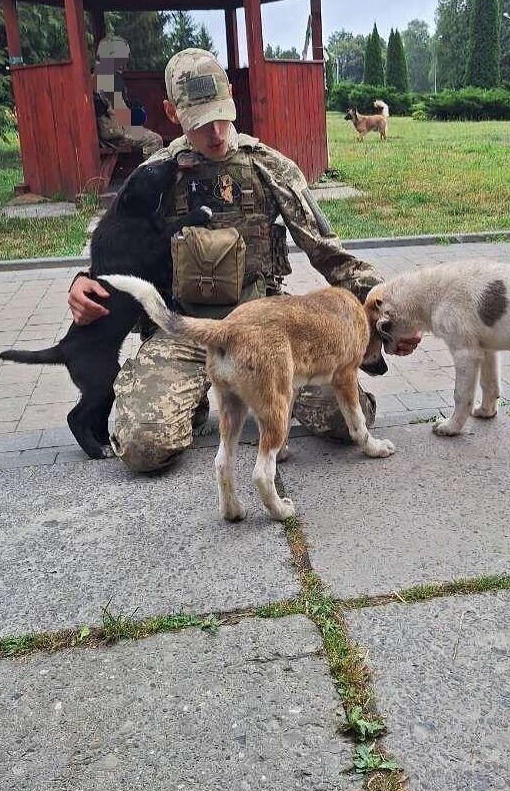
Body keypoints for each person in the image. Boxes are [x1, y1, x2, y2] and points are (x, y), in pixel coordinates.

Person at [68, 47, 421, 472]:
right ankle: (193, 398)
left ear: (232, 96)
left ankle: (258, 394)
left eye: (222, 115)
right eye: (200, 123)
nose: (216, 133)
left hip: (270, 333)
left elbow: (332, 256)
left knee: (345, 422)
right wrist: (83, 281)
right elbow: (118, 242)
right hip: (188, 330)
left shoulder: (269, 167)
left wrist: (394, 314)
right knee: (144, 445)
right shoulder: (156, 175)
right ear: (170, 111)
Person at [93, 34, 163, 159]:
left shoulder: (100, 75)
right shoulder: (107, 79)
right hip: (113, 134)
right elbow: (123, 116)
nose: (124, 62)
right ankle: (149, 175)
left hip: (110, 130)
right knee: (154, 140)